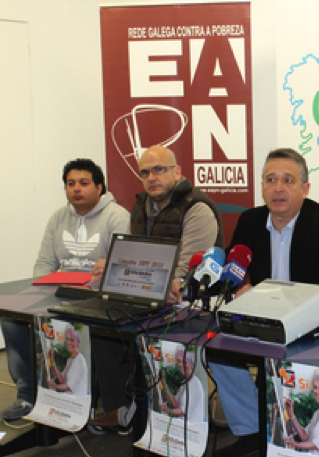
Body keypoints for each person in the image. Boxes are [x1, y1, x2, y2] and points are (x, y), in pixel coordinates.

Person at [209, 148, 319, 457]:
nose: (278, 188)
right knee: (216, 350)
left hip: (309, 326)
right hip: (261, 321)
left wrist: (267, 298)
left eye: (288, 180)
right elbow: (233, 271)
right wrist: (235, 288)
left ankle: (298, 442)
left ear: (305, 188)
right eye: (270, 180)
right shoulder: (250, 221)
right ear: (261, 187)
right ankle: (251, 430)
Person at [90, 145, 225, 429]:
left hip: (190, 301)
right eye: (145, 173)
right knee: (103, 321)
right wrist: (113, 267)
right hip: (147, 292)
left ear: (177, 172)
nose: (152, 177)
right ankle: (123, 406)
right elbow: (131, 254)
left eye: (159, 170)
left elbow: (186, 271)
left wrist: (136, 277)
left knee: (143, 325)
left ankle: (164, 413)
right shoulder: (140, 207)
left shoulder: (197, 208)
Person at [0, 159, 129, 421]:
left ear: (99, 187)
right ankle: (27, 394)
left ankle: (92, 401)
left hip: (95, 296)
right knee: (12, 320)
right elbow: (44, 263)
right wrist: (37, 296)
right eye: (71, 184)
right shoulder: (58, 218)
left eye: (84, 183)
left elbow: (122, 267)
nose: (76, 189)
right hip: (59, 292)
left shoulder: (117, 217)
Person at [160, 350, 205, 423]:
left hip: (192, 426)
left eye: (184, 362)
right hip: (182, 424)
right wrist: (164, 384)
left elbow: (184, 411)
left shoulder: (195, 383)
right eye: (178, 361)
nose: (181, 365)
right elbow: (175, 404)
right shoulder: (184, 382)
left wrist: (167, 410)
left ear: (190, 364)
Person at [48, 326, 89, 396]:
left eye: (72, 340)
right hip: (69, 398)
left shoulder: (80, 361)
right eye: (67, 339)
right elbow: (62, 380)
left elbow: (70, 386)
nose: (69, 342)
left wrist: (55, 386)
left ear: (77, 343)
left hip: (77, 400)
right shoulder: (70, 360)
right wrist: (52, 361)